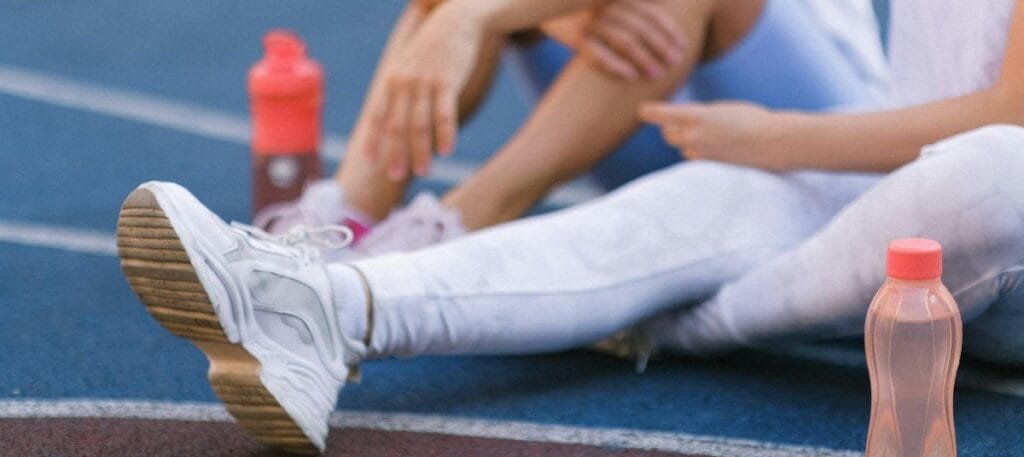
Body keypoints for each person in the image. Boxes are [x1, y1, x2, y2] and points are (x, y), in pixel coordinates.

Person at [116, 0, 1024, 457]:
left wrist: (772, 136)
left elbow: (1011, 114)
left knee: (993, 171)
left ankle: (668, 316)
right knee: (683, 192)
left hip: (930, 182)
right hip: (846, 172)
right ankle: (331, 282)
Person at [253, 0, 887, 257]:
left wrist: (477, 15)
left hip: (810, 134)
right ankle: (337, 226)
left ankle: (441, 235)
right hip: (644, 99)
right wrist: (568, 16)